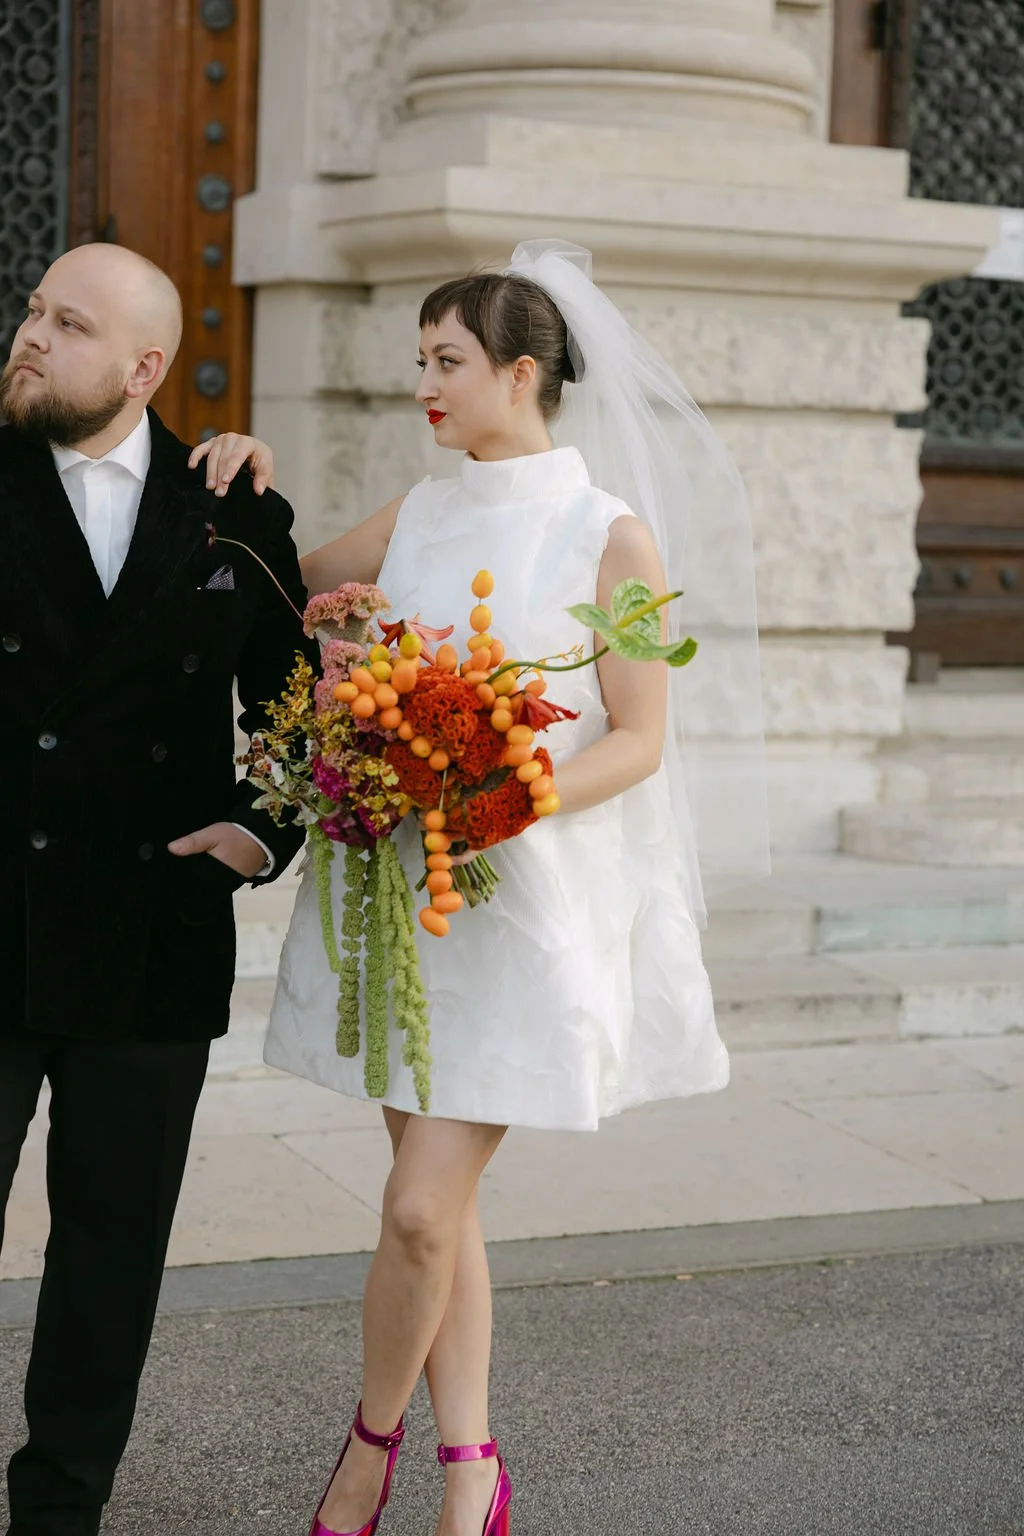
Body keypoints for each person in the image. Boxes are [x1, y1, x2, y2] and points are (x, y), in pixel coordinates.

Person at [195, 239, 766, 1536]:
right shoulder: (420, 509)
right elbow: (286, 594)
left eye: (447, 362)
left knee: (411, 1211)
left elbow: (639, 736)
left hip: (522, 915)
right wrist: (245, 479)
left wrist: (501, 795)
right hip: (398, 903)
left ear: (522, 373)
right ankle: (472, 1476)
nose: (425, 387)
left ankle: (365, 1452)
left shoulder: (610, 535)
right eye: (418, 363)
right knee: (437, 1220)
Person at [0, 242, 313, 1536]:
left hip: (150, 942)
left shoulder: (237, 512)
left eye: (66, 323)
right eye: (27, 309)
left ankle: (59, 1513)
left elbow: (308, 707)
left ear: (141, 368)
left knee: (109, 1261)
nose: (27, 334)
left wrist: (259, 829)